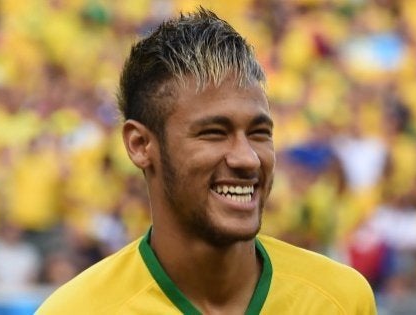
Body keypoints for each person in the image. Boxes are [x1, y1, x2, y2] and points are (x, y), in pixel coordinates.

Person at [37, 8, 376, 314]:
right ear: (140, 145)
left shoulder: (340, 300)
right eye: (214, 133)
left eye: (259, 133)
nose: (247, 159)